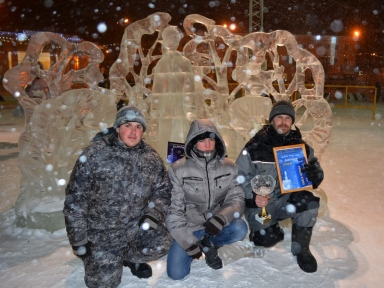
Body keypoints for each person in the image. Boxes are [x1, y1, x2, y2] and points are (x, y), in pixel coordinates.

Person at [63, 106, 173, 287]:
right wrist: (78, 238)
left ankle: (129, 256)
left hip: (135, 227)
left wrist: (154, 214)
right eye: (128, 125)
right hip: (101, 233)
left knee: (162, 242)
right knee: (104, 283)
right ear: (117, 128)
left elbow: (163, 191)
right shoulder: (95, 154)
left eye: (138, 127)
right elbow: (75, 199)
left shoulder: (150, 157)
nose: (133, 131)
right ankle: (101, 258)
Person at [236, 100, 324, 273]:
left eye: (287, 118)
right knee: (268, 239)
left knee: (309, 203)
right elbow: (238, 177)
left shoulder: (301, 147)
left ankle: (302, 250)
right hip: (261, 203)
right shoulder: (255, 146)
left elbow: (316, 172)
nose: (283, 122)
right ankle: (264, 229)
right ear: (272, 120)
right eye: (279, 117)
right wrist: (253, 197)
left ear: (292, 122)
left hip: (286, 199)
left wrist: (316, 175)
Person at [166, 119, 248, 280]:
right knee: (176, 274)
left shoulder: (229, 166)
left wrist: (221, 218)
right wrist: (187, 242)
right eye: (202, 140)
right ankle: (197, 241)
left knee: (240, 228)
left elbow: (237, 198)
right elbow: (173, 210)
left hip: (217, 224)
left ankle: (211, 244)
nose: (207, 144)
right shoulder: (178, 170)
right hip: (190, 226)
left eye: (211, 139)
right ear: (193, 143)